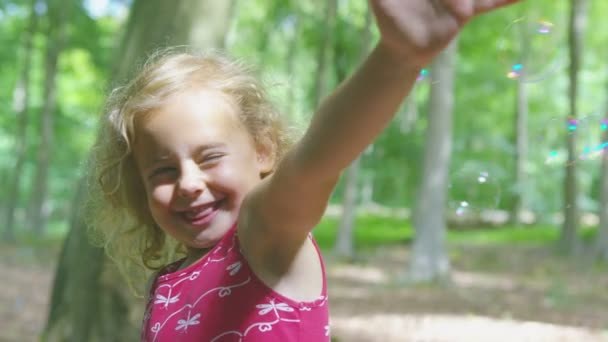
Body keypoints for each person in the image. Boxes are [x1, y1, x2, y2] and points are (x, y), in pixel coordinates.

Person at [87, 0, 521, 341]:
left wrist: (397, 57)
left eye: (209, 157)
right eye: (162, 171)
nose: (188, 183)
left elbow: (317, 160)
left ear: (262, 151)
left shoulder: (263, 233)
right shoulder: (164, 285)